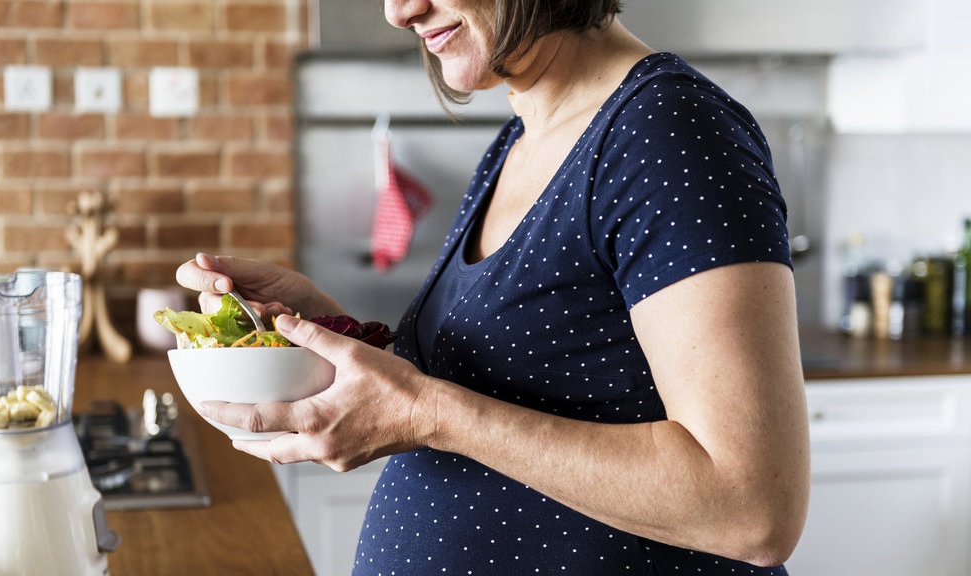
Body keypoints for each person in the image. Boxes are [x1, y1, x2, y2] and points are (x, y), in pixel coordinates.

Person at [175, 0, 810, 573]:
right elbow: (500, 391)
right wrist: (322, 325)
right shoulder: (521, 139)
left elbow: (752, 507)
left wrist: (427, 414)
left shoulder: (669, 132)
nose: (400, 11)